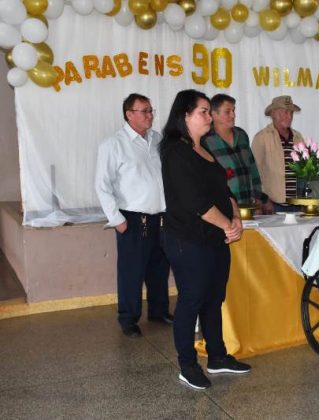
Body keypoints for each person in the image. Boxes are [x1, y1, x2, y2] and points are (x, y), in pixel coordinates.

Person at [160, 90, 250, 390]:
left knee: (213, 299)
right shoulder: (175, 152)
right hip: (187, 239)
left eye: (209, 112)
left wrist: (236, 218)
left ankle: (217, 356)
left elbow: (224, 191)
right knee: (192, 300)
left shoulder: (205, 148)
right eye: (203, 111)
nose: (209, 117)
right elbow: (194, 201)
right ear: (184, 115)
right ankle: (187, 365)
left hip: (214, 238)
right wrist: (228, 225)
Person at [95, 93, 172, 338]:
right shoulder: (113, 145)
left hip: (161, 217)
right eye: (144, 111)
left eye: (151, 110)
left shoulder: (157, 139)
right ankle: (128, 318)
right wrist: (117, 220)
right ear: (129, 114)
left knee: (159, 268)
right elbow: (102, 185)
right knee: (132, 272)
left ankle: (159, 311)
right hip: (132, 219)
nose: (150, 115)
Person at [201, 94, 264, 206]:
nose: (233, 115)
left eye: (233, 110)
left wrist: (259, 197)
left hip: (248, 202)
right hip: (223, 205)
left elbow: (252, 167)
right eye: (227, 112)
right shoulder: (205, 140)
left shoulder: (241, 134)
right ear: (214, 114)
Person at [252, 95, 304, 213]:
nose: (289, 116)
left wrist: (304, 198)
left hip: (297, 203)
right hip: (272, 204)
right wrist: (264, 199)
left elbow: (304, 169)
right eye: (285, 112)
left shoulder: (298, 137)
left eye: (291, 113)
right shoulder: (262, 137)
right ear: (273, 114)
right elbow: (254, 172)